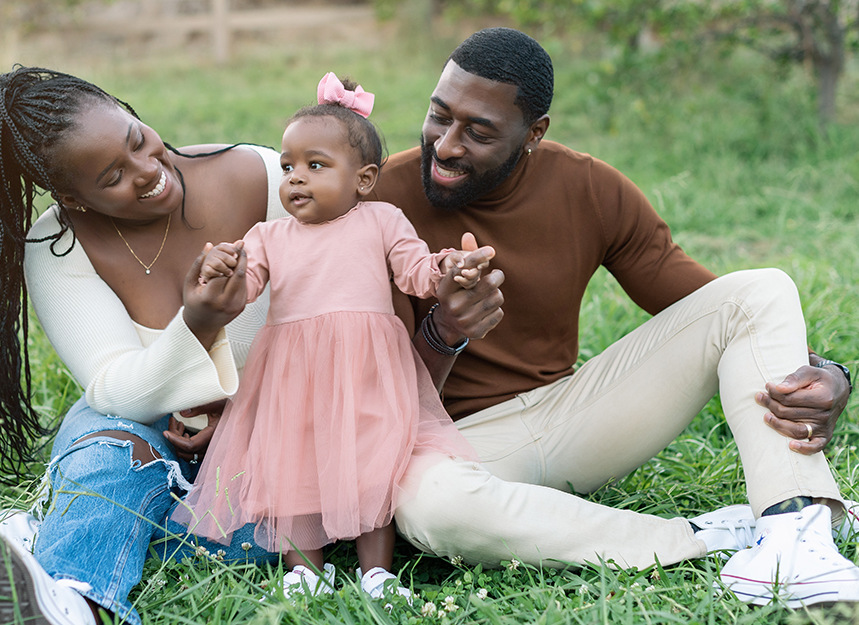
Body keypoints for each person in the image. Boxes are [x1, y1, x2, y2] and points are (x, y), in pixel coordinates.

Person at [0, 66, 496, 625]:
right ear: (70, 197)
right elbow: (115, 392)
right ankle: (75, 603)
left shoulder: (271, 179)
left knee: (274, 525)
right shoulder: (57, 248)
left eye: (137, 138)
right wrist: (198, 323)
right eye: (111, 178)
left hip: (281, 434)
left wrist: (244, 414)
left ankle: (65, 528)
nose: (149, 169)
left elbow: (366, 333)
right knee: (109, 448)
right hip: (142, 429)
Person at [365, 27, 855, 608]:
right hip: (440, 441)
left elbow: (719, 309)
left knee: (761, 288)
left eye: (478, 131)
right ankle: (718, 536)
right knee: (429, 507)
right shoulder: (376, 200)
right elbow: (373, 398)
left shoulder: (588, 188)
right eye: (438, 116)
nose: (446, 145)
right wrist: (445, 332)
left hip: (570, 417)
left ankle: (795, 530)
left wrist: (827, 373)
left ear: (534, 133)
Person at [172, 72, 482, 600]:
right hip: (292, 372)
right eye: (287, 167)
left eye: (315, 166)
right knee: (290, 464)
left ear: (362, 180)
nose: (295, 178)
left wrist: (449, 269)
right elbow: (243, 291)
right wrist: (222, 275)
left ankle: (376, 572)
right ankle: (303, 568)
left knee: (370, 462)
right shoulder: (267, 236)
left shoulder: (382, 220)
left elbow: (415, 272)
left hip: (365, 370)